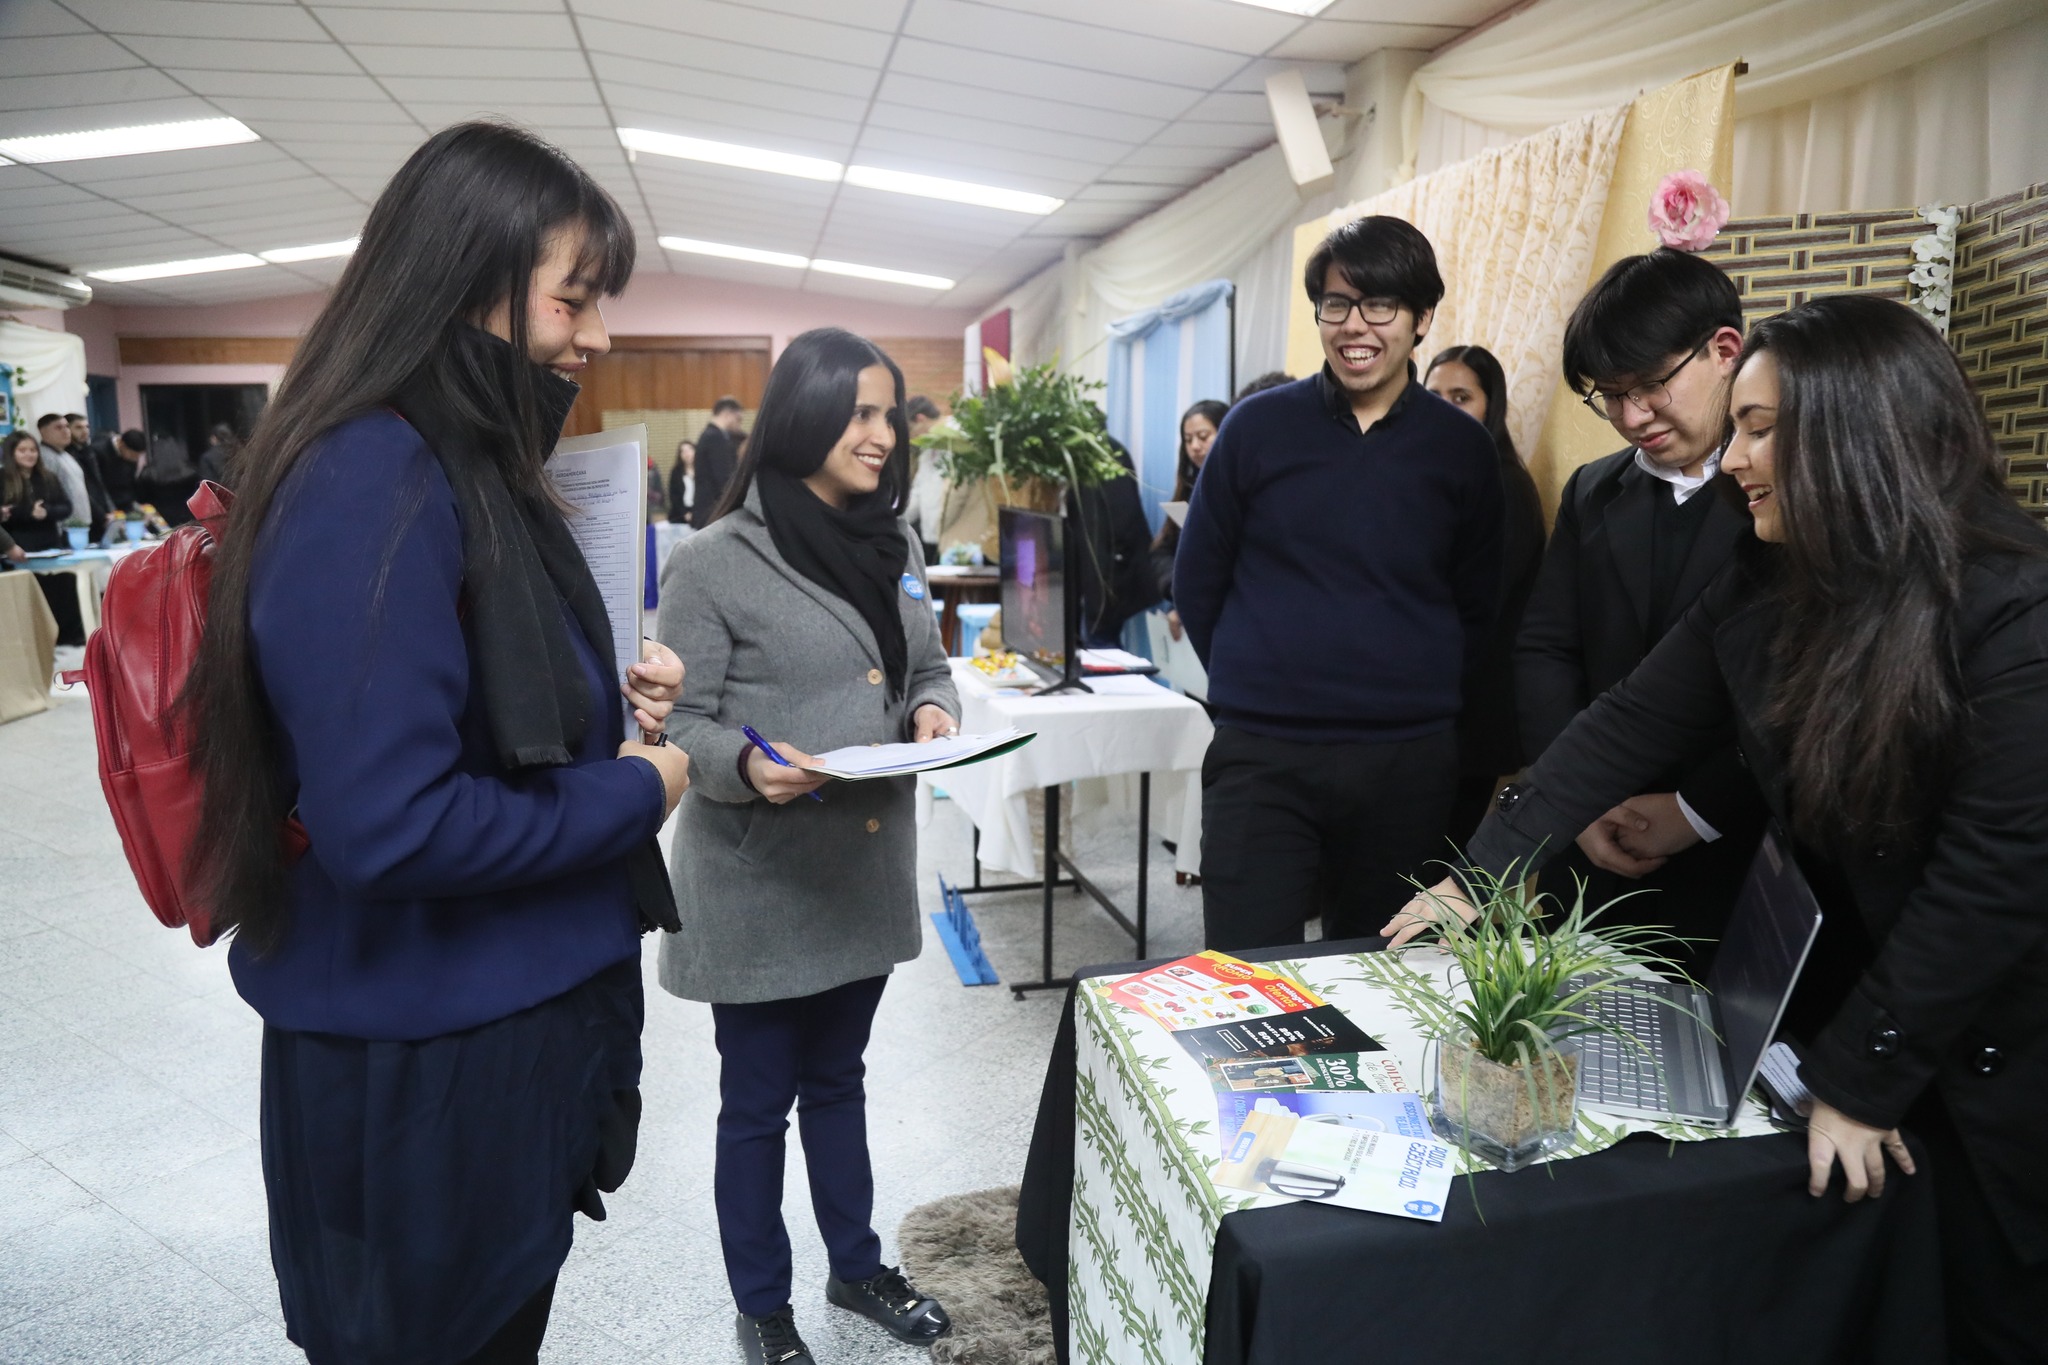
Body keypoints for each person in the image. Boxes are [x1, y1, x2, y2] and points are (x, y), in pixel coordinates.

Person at [1389, 295, 2048, 1363]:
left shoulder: (2013, 607)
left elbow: (1994, 879)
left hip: (1990, 1051)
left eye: (1757, 428)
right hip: (1864, 1005)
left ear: (1855, 428)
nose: (1732, 459)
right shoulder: (1769, 573)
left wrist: (1861, 1076)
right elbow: (1625, 724)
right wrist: (1480, 877)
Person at [179, 121, 692, 1365]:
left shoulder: (458, 460)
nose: (598, 335)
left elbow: (471, 724)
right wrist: (636, 788)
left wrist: (608, 712)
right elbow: (394, 824)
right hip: (417, 1080)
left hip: (485, 1042)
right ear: (467, 285)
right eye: (572, 299)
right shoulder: (375, 476)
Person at [657, 327, 959, 1365]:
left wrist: (930, 712)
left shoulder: (897, 548)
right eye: (860, 413)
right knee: (755, 1106)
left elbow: (926, 671)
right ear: (802, 415)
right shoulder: (712, 561)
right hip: (759, 883)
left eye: (888, 414)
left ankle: (858, 1266)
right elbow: (679, 726)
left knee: (840, 1081)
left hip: (859, 871)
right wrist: (744, 767)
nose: (881, 435)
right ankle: (762, 1307)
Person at [1174, 216, 1503, 951]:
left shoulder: (1461, 449)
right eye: (1336, 304)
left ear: (1421, 319)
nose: (1356, 326)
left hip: (1407, 766)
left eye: (1380, 305)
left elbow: (1479, 603)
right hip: (1262, 754)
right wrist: (1259, 676)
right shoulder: (1255, 429)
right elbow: (1198, 580)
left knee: (1385, 980)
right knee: (1248, 978)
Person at [1516, 248, 1763, 967]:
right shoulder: (1594, 490)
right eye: (1610, 395)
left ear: (1725, 351)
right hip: (1594, 842)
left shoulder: (1788, 494)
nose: (1631, 416)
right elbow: (1545, 649)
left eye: (1651, 385)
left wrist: (1696, 811)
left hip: (1738, 841)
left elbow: (1798, 695)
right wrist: (1575, 800)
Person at [1424, 345, 1545, 845]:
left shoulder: (1504, 486)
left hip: (1467, 714)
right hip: (1430, 707)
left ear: (1489, 407)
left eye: (1461, 397)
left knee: (1438, 867)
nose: (1445, 410)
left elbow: (1477, 605)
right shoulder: (1436, 476)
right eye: (1433, 397)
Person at [1150, 399, 1228, 643]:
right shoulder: (1187, 489)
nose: (1195, 446)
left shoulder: (1239, 488)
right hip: (1194, 612)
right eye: (1188, 439)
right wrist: (1182, 592)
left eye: (1203, 436)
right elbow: (1161, 552)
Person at [2, 430, 84, 643]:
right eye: (23, 451)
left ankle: (67, 637)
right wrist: (28, 512)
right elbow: (5, 515)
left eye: (32, 450)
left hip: (50, 543)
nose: (29, 455)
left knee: (62, 590)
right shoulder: (3, 479)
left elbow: (66, 507)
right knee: (31, 596)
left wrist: (46, 512)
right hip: (20, 548)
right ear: (11, 453)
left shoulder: (47, 477)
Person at [902, 394, 947, 563]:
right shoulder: (929, 448)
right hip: (930, 535)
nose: (912, 439)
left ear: (920, 419)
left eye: (911, 431)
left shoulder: (957, 439)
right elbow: (919, 492)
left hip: (954, 537)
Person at [691, 395, 744, 530]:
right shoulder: (715, 437)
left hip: (706, 510)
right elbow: (723, 478)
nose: (739, 423)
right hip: (711, 512)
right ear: (727, 414)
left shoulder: (709, 435)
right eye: (738, 419)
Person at [138, 428, 198, 526]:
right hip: (187, 519)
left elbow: (142, 500)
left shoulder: (147, 475)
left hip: (159, 522)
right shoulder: (190, 473)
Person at [197, 421, 237, 486]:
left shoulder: (207, 458)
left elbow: (208, 484)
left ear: (214, 438)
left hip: (221, 494)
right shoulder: (240, 452)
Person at [669, 438, 697, 525]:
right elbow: (674, 495)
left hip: (698, 511)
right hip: (680, 514)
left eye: (689, 450)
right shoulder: (676, 472)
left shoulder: (703, 470)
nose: (687, 454)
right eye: (683, 451)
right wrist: (684, 513)